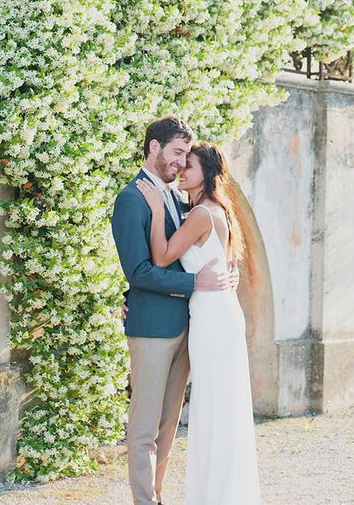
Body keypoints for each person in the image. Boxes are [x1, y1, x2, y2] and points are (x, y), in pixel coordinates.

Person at [111, 116, 237, 505]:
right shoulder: (131, 198)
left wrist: (225, 267)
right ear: (154, 148)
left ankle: (158, 496)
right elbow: (138, 269)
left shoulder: (177, 195)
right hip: (151, 328)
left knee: (168, 426)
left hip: (187, 325)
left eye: (186, 154)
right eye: (177, 152)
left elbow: (194, 247)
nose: (182, 162)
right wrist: (193, 284)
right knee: (145, 426)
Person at [136, 141, 261, 505]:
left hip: (213, 318)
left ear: (205, 173)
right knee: (216, 402)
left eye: (188, 166)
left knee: (215, 404)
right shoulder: (211, 210)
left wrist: (157, 211)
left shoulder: (202, 215)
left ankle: (217, 495)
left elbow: (161, 258)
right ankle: (218, 491)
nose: (181, 171)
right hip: (213, 313)